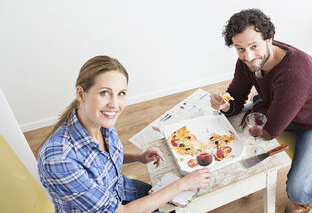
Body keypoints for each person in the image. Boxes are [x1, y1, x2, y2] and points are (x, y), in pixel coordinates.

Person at [210, 9, 312, 213]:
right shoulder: (247, 61)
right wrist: (225, 105)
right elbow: (235, 97)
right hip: (278, 108)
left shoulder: (294, 74)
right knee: (229, 123)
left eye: (254, 46)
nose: (248, 56)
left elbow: (270, 129)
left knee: (298, 192)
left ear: (269, 39)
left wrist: (254, 112)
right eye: (240, 49)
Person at [38, 55, 210, 213]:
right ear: (81, 94)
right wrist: (181, 185)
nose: (115, 104)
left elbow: (101, 160)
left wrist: (138, 157)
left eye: (121, 94)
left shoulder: (101, 121)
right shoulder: (58, 159)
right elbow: (120, 212)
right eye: (104, 92)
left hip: (121, 190)